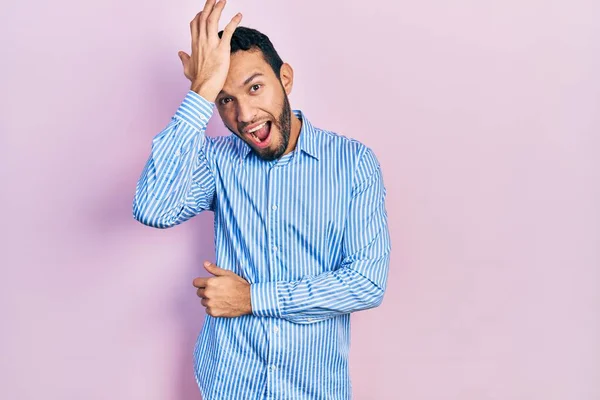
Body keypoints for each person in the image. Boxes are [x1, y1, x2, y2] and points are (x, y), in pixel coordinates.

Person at [132, 0, 391, 398]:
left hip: (311, 388)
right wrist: (201, 90)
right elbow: (153, 208)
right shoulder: (217, 162)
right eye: (225, 100)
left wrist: (253, 299)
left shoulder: (352, 163)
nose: (245, 114)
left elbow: (366, 282)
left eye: (255, 87)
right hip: (229, 385)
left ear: (285, 78)